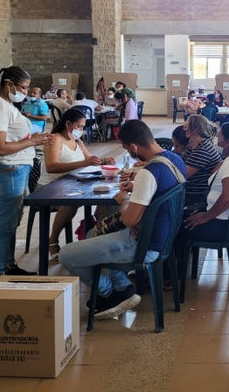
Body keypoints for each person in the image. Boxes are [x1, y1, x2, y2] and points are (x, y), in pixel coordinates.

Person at [59, 120, 186, 319]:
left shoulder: (149, 172)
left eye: (126, 148)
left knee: (66, 255)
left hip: (144, 245)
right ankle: (122, 288)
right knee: (92, 234)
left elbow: (128, 220)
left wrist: (124, 200)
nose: (128, 152)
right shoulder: (174, 159)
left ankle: (109, 293)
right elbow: (160, 190)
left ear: (133, 147)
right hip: (165, 238)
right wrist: (137, 187)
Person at [0, 66, 55, 276]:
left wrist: (36, 139)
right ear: (9, 84)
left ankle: (9, 265)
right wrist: (32, 141)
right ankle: (1, 271)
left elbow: (13, 137)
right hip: (9, 170)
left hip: (18, 168)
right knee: (6, 224)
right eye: (23, 88)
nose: (25, 92)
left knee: (13, 221)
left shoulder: (7, 105)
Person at [37, 108, 115, 261]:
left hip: (71, 183)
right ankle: (53, 240)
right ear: (68, 124)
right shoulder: (55, 139)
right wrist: (84, 163)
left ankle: (94, 235)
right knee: (70, 203)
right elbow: (51, 166)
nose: (81, 130)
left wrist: (102, 161)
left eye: (83, 127)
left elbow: (89, 159)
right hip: (49, 186)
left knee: (100, 194)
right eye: (79, 126)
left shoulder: (77, 141)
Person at [182, 122, 229, 242]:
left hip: (225, 225)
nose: (215, 142)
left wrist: (206, 217)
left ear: (227, 142)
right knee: (183, 218)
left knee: (177, 227)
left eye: (218, 138)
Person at [182, 115, 223, 207]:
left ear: (195, 130)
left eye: (186, 126)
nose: (184, 128)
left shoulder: (202, 151)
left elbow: (182, 175)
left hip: (196, 193)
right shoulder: (196, 144)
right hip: (192, 189)